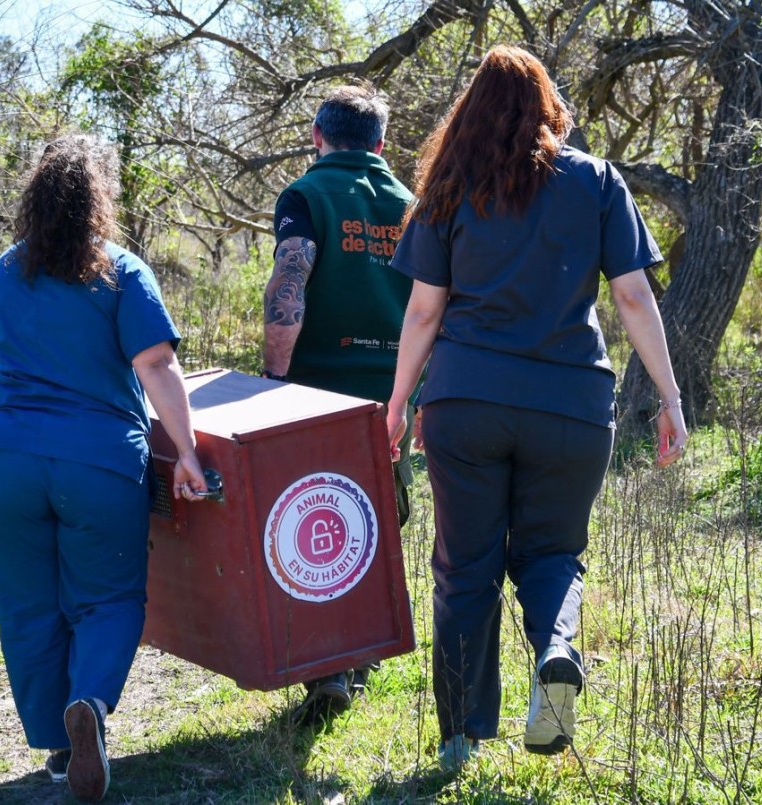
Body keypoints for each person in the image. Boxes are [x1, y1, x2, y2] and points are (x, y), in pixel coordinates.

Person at [384, 45, 688, 770]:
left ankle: (460, 735)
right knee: (554, 555)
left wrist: (397, 402)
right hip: (572, 405)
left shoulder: (449, 187)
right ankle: (556, 652)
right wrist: (670, 397)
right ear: (552, 108)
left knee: (465, 567)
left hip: (467, 403)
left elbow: (424, 312)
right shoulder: (598, 182)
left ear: (470, 113)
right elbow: (633, 295)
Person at [0, 134, 209, 803]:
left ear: (33, 202)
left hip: (7, 459)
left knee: (28, 605)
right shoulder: (122, 271)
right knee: (109, 597)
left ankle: (55, 742)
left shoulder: (4, 272)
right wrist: (187, 452)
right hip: (97, 460)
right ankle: (91, 706)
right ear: (100, 200)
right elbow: (155, 364)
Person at [261, 83, 415, 724]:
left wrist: (272, 377)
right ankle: (355, 654)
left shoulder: (306, 195)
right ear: (381, 143)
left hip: (316, 390)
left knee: (318, 523)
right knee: (383, 518)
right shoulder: (415, 204)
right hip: (395, 394)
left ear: (317, 138)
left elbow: (289, 280)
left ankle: (332, 664)